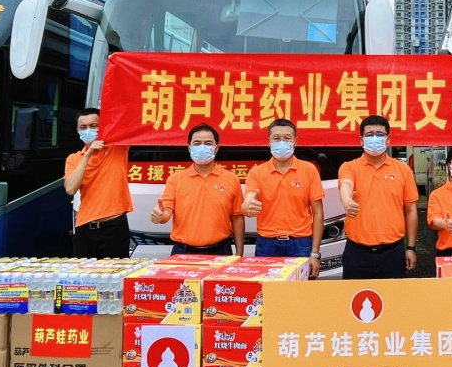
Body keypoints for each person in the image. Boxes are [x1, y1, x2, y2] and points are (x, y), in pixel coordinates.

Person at [337, 115, 418, 279]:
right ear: (361, 140)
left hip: (393, 253)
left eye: (380, 134)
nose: (375, 138)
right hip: (357, 254)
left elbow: (411, 210)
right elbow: (346, 185)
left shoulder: (403, 170)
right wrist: (347, 201)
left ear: (388, 139)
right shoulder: (349, 167)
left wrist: (411, 247)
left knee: (393, 295)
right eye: (369, 134)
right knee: (355, 295)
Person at [243, 119, 325, 278]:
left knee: (299, 291)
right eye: (277, 138)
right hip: (267, 244)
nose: (282, 142)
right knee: (266, 290)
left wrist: (315, 254)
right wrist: (248, 205)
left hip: (300, 244)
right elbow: (248, 199)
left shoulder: (309, 169)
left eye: (287, 138)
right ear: (269, 142)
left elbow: (318, 213)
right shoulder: (256, 172)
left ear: (295, 141)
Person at [150, 123, 245, 256]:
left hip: (221, 251)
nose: (202, 147)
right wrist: (159, 216)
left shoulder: (231, 179)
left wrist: (239, 253)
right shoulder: (176, 179)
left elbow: (237, 217)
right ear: (189, 147)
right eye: (197, 143)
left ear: (216, 148)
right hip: (183, 252)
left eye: (208, 143)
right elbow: (166, 212)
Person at [63, 108, 133, 258]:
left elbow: (128, 118)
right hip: (84, 227)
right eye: (83, 127)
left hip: (115, 227)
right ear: (78, 130)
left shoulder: (117, 148)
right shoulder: (74, 159)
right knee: (84, 272)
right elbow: (70, 189)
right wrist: (87, 155)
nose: (88, 130)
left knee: (116, 271)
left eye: (94, 126)